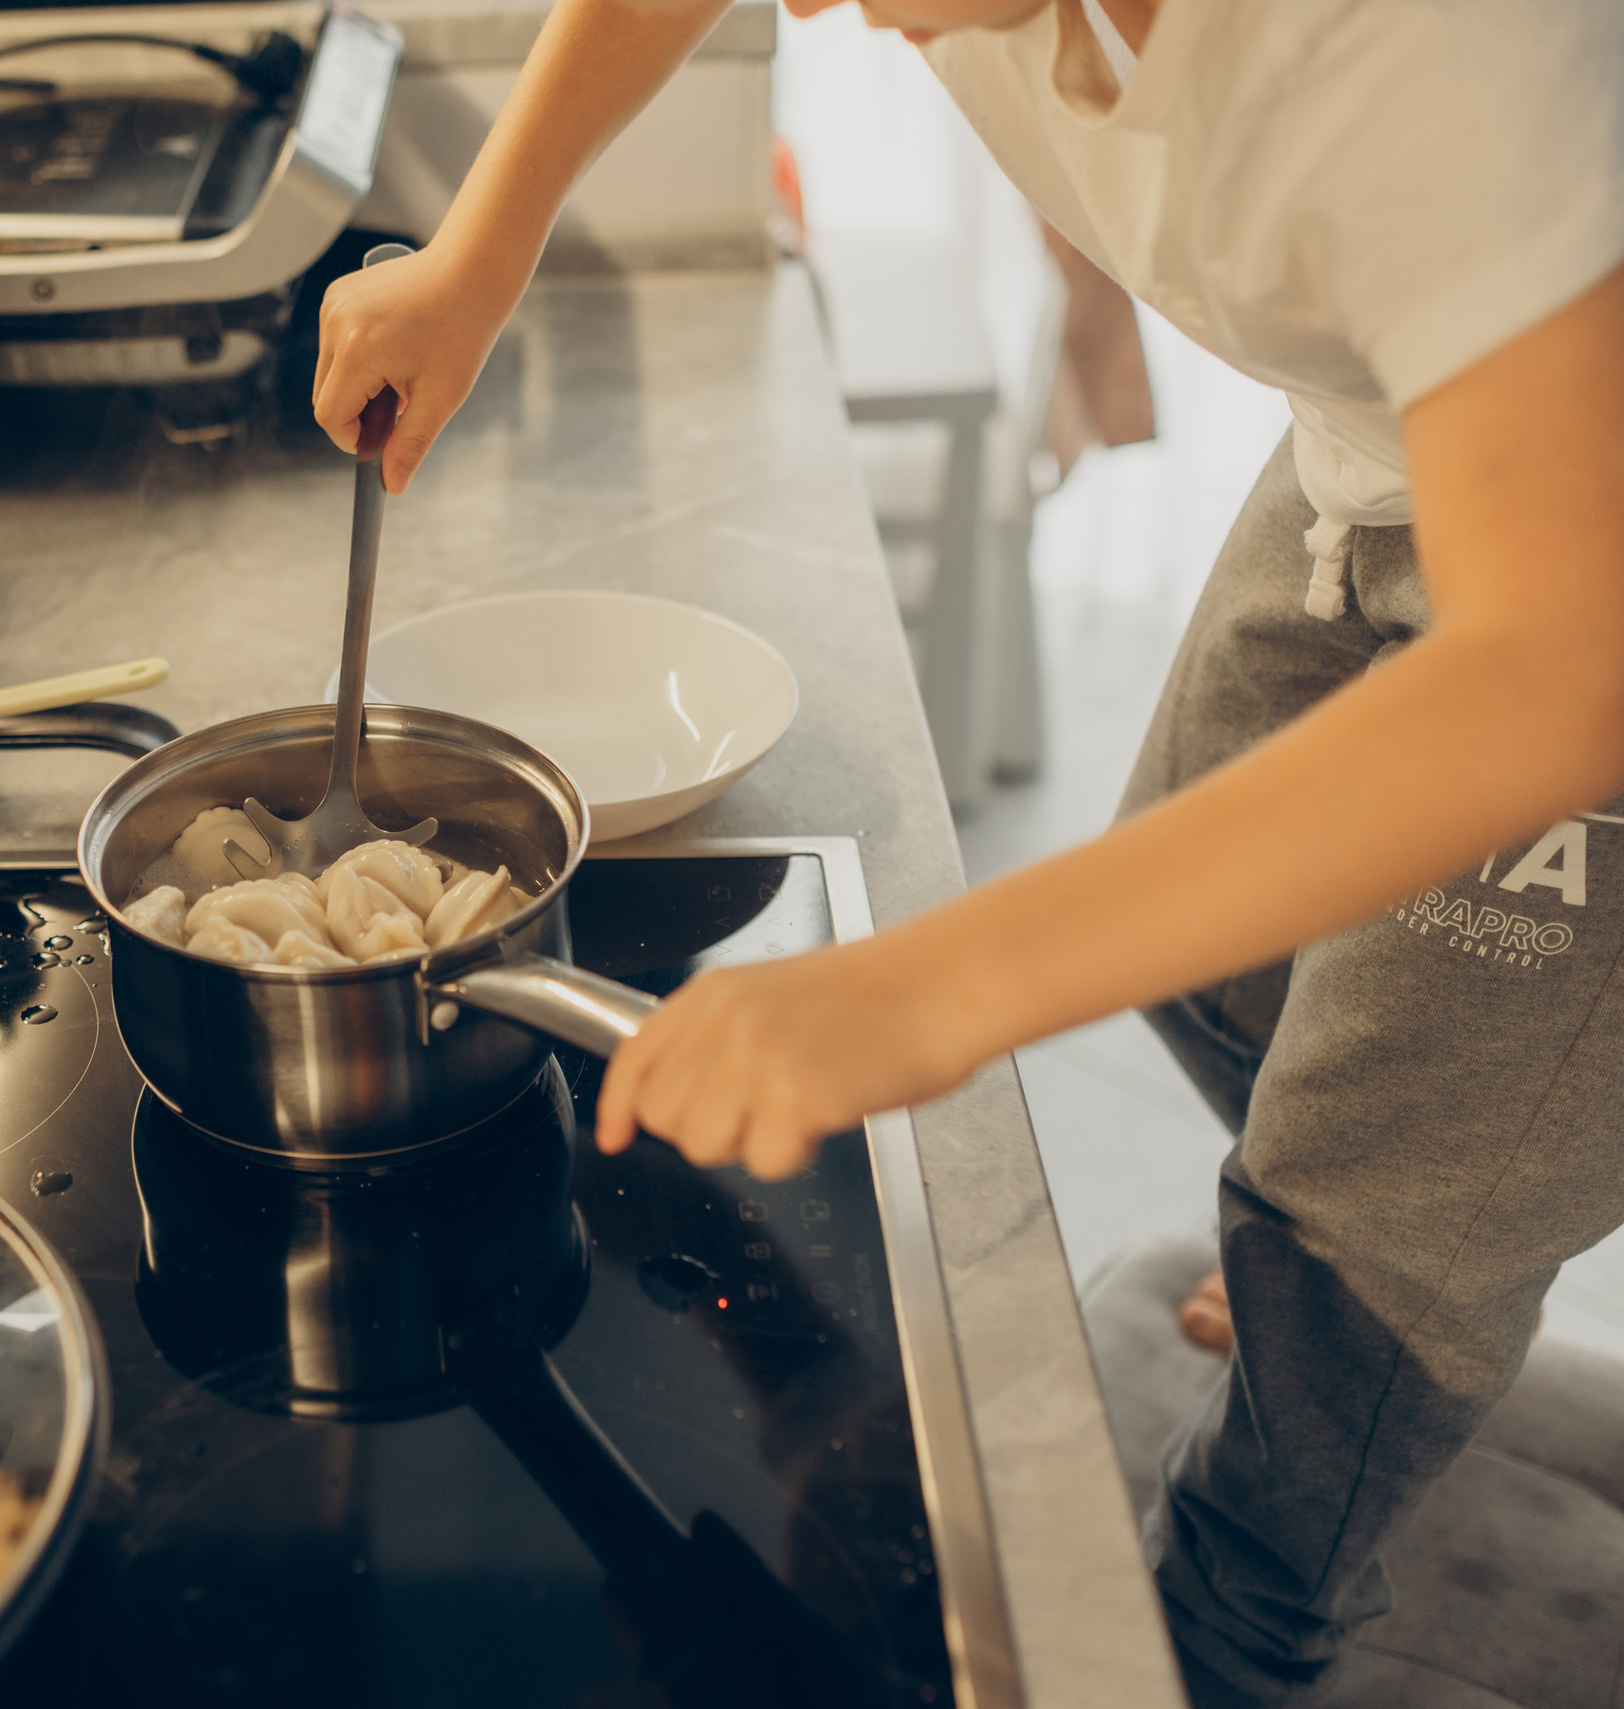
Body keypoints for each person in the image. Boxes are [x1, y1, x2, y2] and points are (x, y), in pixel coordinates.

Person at [310, 0, 1624, 1702]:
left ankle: (1290, 1498)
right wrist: (482, 247)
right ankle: (1330, 1269)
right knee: (1229, 992)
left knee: (1381, 1253)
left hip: (1579, 579)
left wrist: (940, 983)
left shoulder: (1437, 41)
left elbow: (1563, 670)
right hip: (1375, 464)